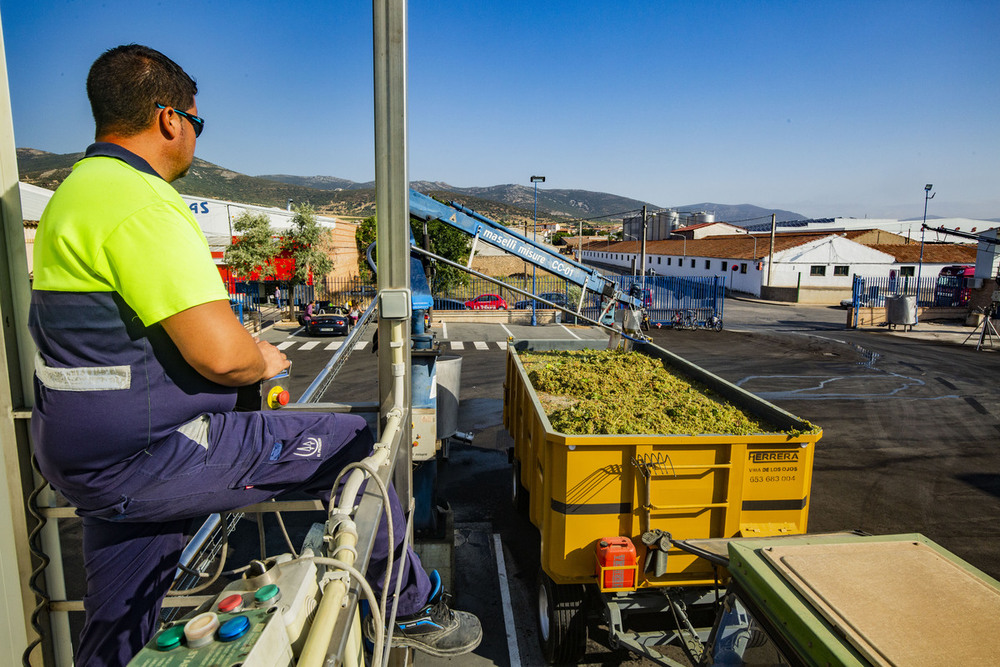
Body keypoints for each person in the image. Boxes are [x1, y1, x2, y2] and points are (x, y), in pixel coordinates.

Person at [29, 44, 480, 666]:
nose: (193, 136)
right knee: (355, 448)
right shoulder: (141, 204)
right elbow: (224, 356)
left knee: (118, 625)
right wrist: (261, 360)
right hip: (152, 450)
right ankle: (410, 606)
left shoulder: (74, 195)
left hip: (87, 455)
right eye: (196, 122)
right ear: (169, 119)